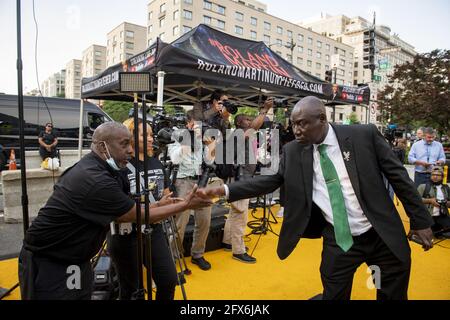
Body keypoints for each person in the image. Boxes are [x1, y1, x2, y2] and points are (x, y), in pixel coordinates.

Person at [198, 96, 434, 300]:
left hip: (381, 233)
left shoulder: (363, 135)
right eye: (293, 124)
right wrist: (224, 191)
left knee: (388, 290)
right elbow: (272, 180)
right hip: (340, 239)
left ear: (322, 119)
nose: (296, 130)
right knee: (334, 294)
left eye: (302, 124)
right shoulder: (294, 150)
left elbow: (399, 177)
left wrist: (420, 220)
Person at [18, 122, 211, 300]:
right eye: (125, 144)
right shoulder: (94, 178)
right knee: (129, 289)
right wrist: (186, 204)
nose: (130, 149)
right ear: (103, 147)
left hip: (76, 259)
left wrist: (159, 205)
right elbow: (137, 215)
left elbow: (127, 208)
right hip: (50, 261)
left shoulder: (105, 169)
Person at [107, 118, 180, 300]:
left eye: (150, 134)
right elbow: (117, 208)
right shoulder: (120, 166)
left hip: (153, 231)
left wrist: (171, 202)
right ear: (129, 137)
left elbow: (166, 193)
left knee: (168, 280)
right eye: (143, 134)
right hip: (126, 236)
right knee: (132, 290)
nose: (150, 138)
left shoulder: (156, 163)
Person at [221, 98, 273, 264]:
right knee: (241, 215)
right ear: (239, 122)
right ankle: (238, 250)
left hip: (241, 176)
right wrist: (264, 110)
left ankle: (228, 242)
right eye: (247, 119)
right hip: (240, 177)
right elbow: (254, 127)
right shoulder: (239, 134)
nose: (250, 121)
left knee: (234, 212)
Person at [168, 110, 217, 271]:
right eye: (196, 124)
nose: (198, 128)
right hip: (183, 182)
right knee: (180, 222)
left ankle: (197, 254)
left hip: (201, 181)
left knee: (204, 220)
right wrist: (187, 142)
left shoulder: (202, 138)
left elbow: (209, 160)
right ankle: (173, 257)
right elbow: (175, 158)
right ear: (188, 123)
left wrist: (211, 146)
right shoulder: (177, 135)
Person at [417, 166, 450, 239]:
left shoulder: (446, 188)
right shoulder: (423, 186)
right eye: (433, 175)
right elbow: (416, 200)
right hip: (428, 216)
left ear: (442, 177)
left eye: (438, 175)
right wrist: (429, 201)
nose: (435, 177)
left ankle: (437, 230)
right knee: (427, 235)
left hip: (442, 215)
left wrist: (447, 203)